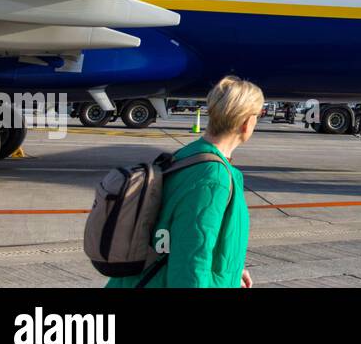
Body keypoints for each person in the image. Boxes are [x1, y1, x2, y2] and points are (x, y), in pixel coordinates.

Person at [108, 76, 262, 289]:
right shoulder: (212, 178)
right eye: (258, 115)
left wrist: (231, 271)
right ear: (246, 122)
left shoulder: (187, 155)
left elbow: (177, 236)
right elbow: (191, 262)